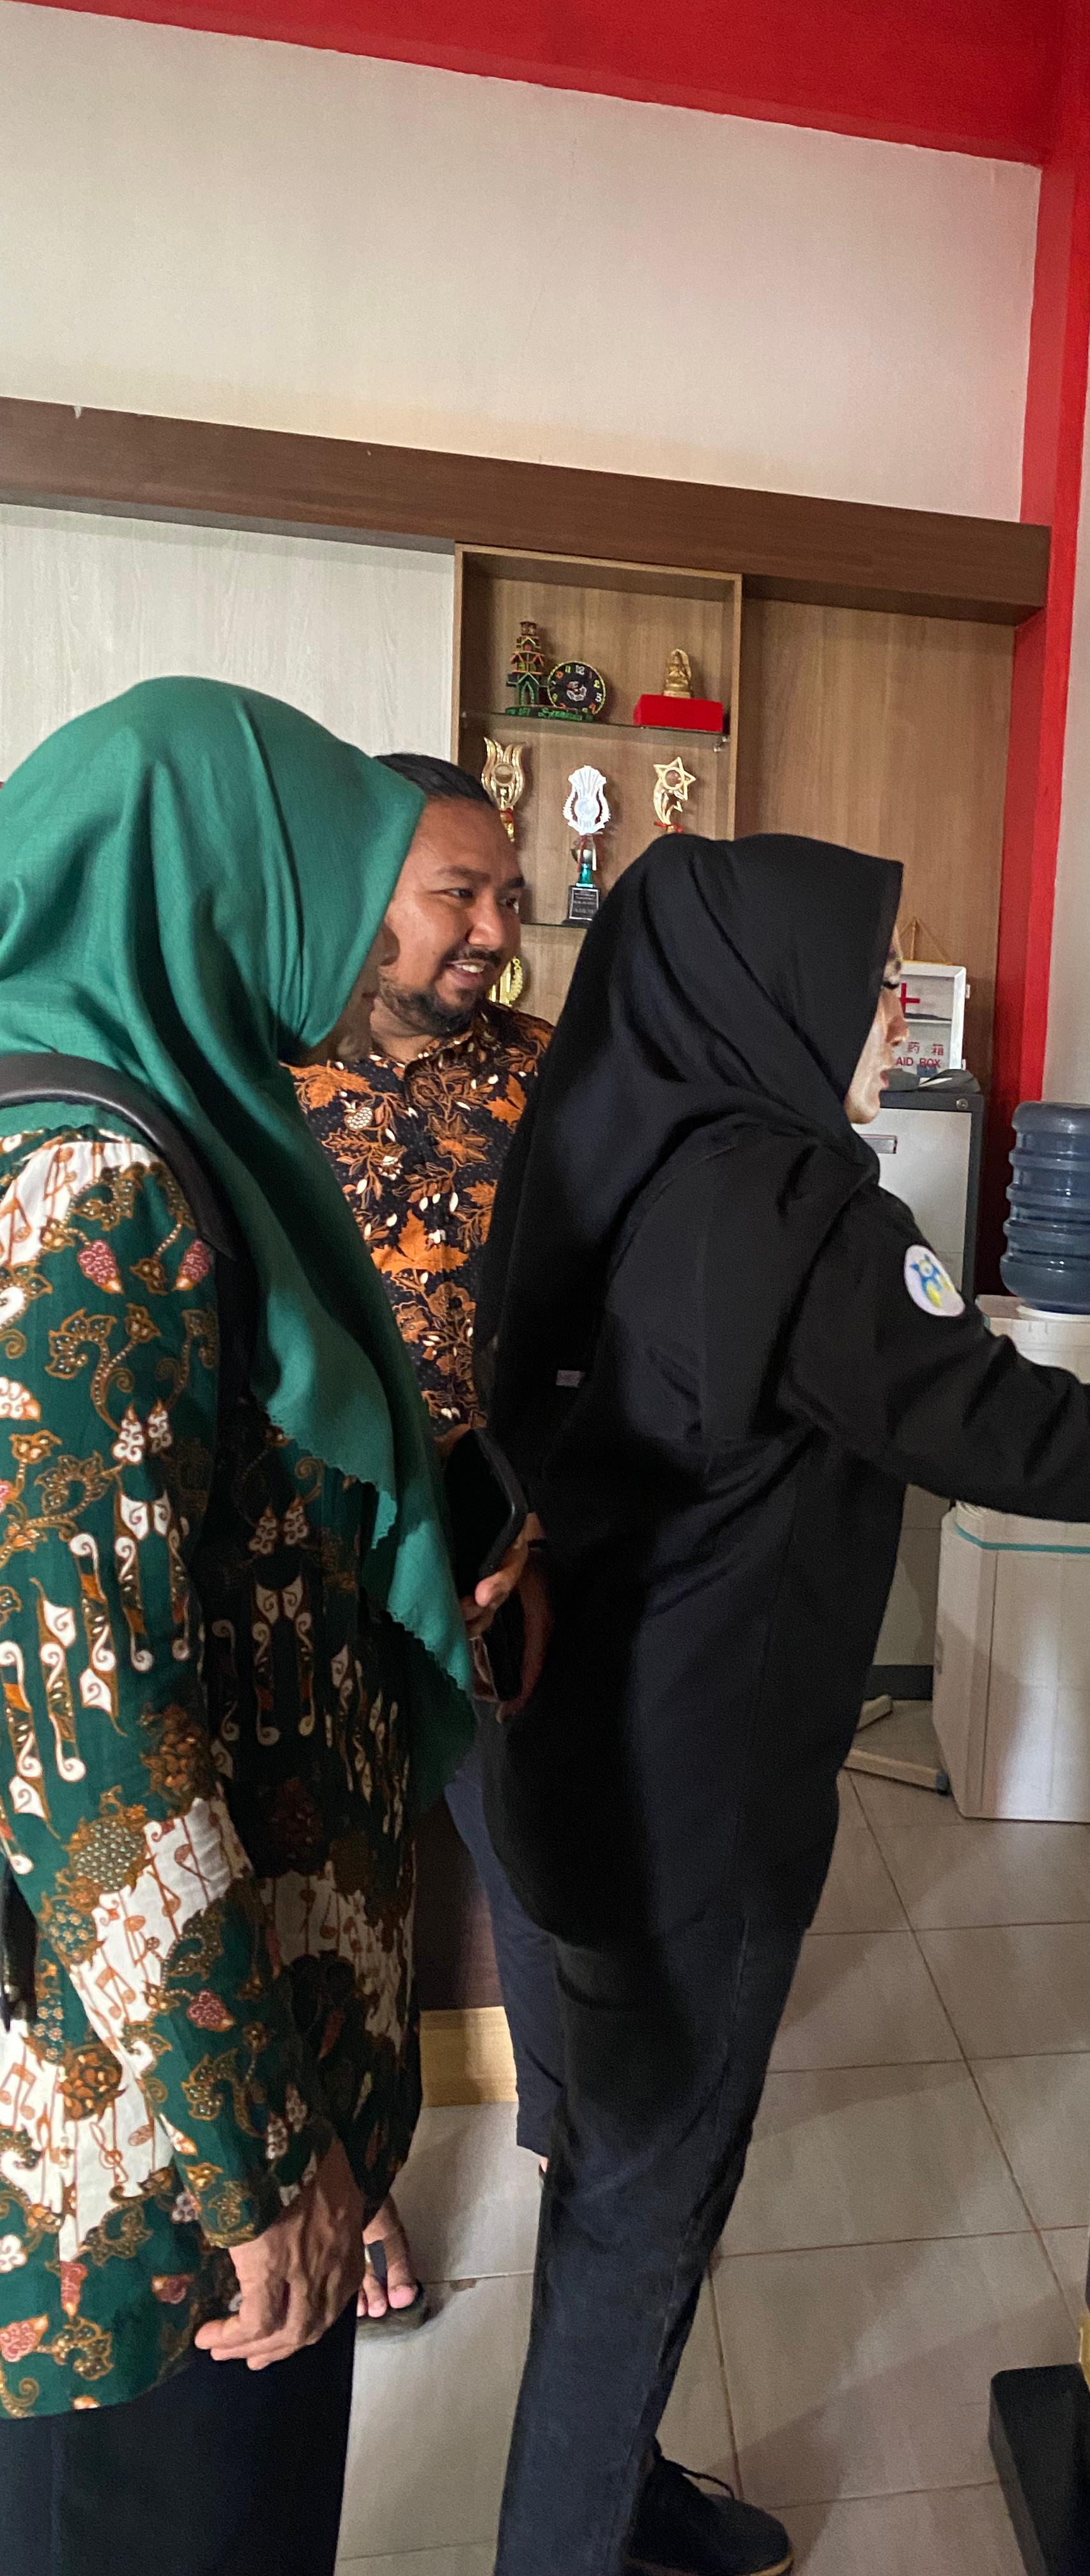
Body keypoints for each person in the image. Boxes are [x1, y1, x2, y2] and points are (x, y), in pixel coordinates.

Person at [476, 832, 1090, 2576]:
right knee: (644, 2200)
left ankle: (617, 2495)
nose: (898, 1007)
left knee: (617, 2166)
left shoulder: (627, 1150)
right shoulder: (799, 1212)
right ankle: (571, 2539)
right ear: (772, 990)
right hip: (700, 1794)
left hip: (583, 1759)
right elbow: (1052, 1447)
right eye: (874, 973)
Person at [0, 679, 523, 2576]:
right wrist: (263, 2161)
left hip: (223, 2073)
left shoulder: (162, 1136)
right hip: (162, 2162)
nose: (358, 940)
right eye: (335, 884)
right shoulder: (101, 1200)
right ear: (214, 885)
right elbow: (96, 1753)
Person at [292, 755, 564, 2327]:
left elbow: (605, 1319)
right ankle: (356, 2185)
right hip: (311, 1542)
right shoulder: (258, 1072)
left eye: (507, 897)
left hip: (490, 1525)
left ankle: (576, 2149)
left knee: (532, 1843)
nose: (493, 931)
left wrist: (543, 1527)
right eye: (457, 894)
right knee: (330, 1866)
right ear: (367, 892)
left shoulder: (549, 1076)